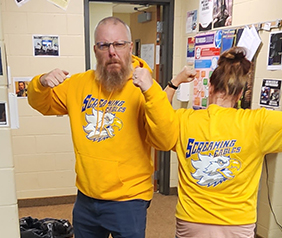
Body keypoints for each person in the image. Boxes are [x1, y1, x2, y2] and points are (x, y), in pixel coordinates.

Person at [27, 16, 178, 238]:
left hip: (129, 200)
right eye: (104, 45)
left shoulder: (145, 88)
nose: (112, 52)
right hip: (87, 198)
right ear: (95, 50)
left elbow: (165, 140)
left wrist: (152, 91)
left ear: (129, 47)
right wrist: (40, 83)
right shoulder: (78, 84)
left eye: (118, 44)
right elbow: (41, 104)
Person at [163, 47, 282, 237]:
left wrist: (174, 82)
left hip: (192, 220)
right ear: (240, 93)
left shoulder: (184, 119)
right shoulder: (257, 122)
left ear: (210, 87)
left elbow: (158, 115)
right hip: (237, 222)